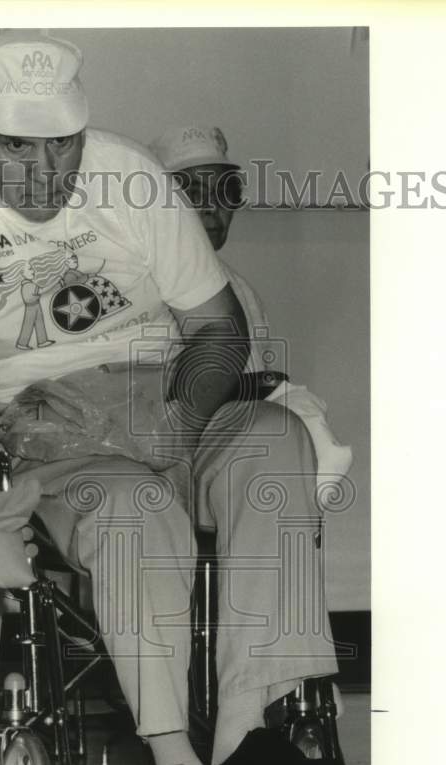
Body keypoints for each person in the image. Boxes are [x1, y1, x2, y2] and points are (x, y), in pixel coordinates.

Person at [0, 32, 343, 765]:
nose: (45, 171)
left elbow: (215, 328)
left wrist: (176, 421)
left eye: (62, 145)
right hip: (50, 422)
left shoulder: (129, 176)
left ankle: (242, 728)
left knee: (275, 437)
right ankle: (173, 754)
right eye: (15, 145)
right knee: (133, 505)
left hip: (167, 393)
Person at [149, 124, 353, 504]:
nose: (210, 205)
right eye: (191, 191)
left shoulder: (238, 288)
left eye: (223, 192)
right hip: (166, 466)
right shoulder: (143, 279)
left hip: (240, 463)